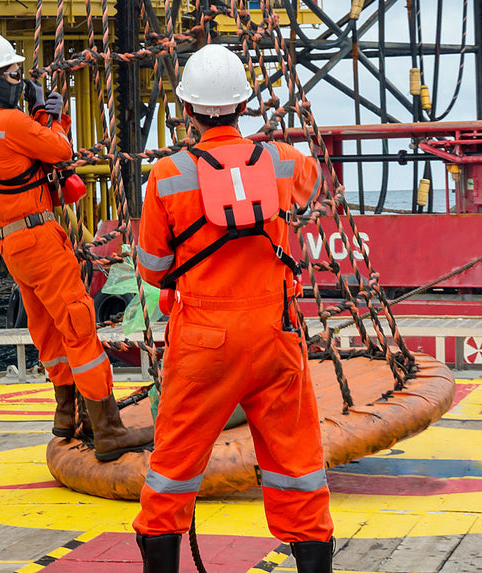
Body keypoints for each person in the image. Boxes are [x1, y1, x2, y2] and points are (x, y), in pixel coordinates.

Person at [133, 43, 334, 572]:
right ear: (245, 105)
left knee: (171, 474)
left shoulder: (168, 176)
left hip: (204, 343)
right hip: (276, 336)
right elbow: (313, 186)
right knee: (299, 471)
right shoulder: (283, 161)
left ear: (187, 110)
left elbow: (153, 268)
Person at [0, 31, 153, 460]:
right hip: (40, 237)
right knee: (79, 324)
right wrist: (50, 116)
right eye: (13, 74)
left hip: (12, 241)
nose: (18, 81)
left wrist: (38, 115)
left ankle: (67, 416)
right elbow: (59, 150)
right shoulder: (10, 123)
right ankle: (108, 430)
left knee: (46, 329)